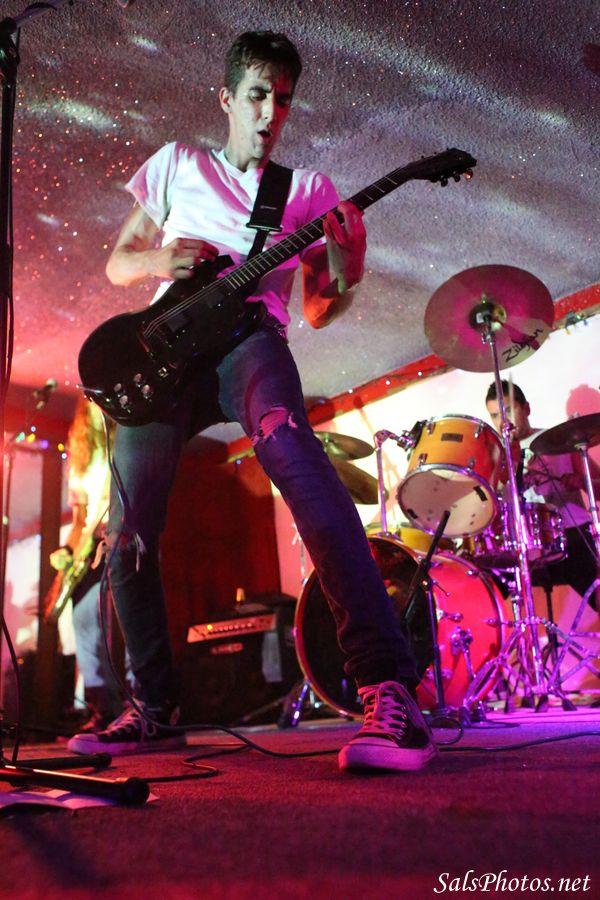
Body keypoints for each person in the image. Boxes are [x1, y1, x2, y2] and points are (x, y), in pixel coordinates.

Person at [67, 31, 436, 772]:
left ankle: (387, 687)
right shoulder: (178, 163)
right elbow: (117, 264)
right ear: (228, 98)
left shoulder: (306, 191)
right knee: (127, 533)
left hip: (250, 341)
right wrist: (160, 258)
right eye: (259, 95)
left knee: (302, 465)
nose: (272, 113)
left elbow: (321, 308)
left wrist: (351, 259)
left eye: (284, 99)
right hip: (164, 354)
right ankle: (153, 707)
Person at [485, 380, 599, 612]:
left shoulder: (562, 440)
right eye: (495, 415)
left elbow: (598, 487)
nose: (503, 421)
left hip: (570, 534)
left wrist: (581, 482)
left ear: (526, 408)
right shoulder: (496, 457)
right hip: (523, 546)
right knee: (485, 589)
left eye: (508, 410)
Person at [48, 395, 123, 732]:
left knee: (121, 619)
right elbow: (79, 520)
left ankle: (139, 700)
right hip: (87, 548)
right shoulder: (80, 460)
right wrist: (66, 550)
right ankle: (102, 705)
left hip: (118, 535)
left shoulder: (121, 440)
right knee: (82, 619)